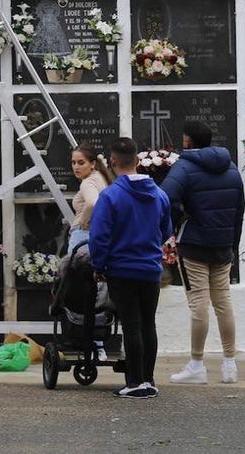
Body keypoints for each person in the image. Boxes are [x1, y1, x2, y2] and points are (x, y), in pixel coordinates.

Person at [160, 120, 245, 385]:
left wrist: (175, 224)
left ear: (188, 141)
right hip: (222, 245)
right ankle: (230, 364)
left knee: (198, 304)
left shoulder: (184, 167)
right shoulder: (231, 167)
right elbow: (239, 209)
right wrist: (232, 244)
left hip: (194, 244)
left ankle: (197, 364)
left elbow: (165, 198)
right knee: (223, 303)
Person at [89, 137, 173, 399]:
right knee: (149, 324)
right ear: (137, 161)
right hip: (150, 269)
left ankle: (134, 382)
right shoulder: (159, 195)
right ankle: (148, 380)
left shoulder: (110, 196)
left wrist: (99, 265)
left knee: (131, 325)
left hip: (122, 269)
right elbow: (166, 230)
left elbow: (99, 235)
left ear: (112, 161)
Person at [67, 142, 113, 252]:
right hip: (99, 235)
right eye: (73, 163)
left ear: (92, 164)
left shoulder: (88, 182)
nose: (76, 167)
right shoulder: (101, 177)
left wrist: (82, 221)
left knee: (76, 269)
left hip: (82, 235)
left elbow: (92, 202)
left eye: (81, 163)